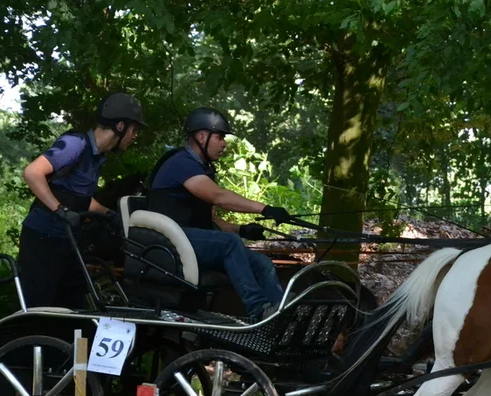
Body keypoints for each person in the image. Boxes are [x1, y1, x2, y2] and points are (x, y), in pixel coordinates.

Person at [147, 107, 292, 321]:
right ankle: (258, 309)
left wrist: (242, 229)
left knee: (262, 263)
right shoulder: (181, 163)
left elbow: (210, 222)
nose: (223, 143)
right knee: (229, 243)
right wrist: (265, 209)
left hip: (189, 238)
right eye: (220, 136)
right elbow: (219, 196)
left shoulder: (200, 167)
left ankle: (280, 317)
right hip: (169, 241)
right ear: (201, 136)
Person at [19, 92, 145, 308]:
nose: (134, 136)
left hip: (67, 242)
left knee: (73, 307)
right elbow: (32, 173)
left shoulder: (97, 157)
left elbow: (79, 198)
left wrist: (108, 214)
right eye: (134, 129)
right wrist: (60, 210)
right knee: (41, 310)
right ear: (121, 126)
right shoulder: (75, 144)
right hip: (42, 240)